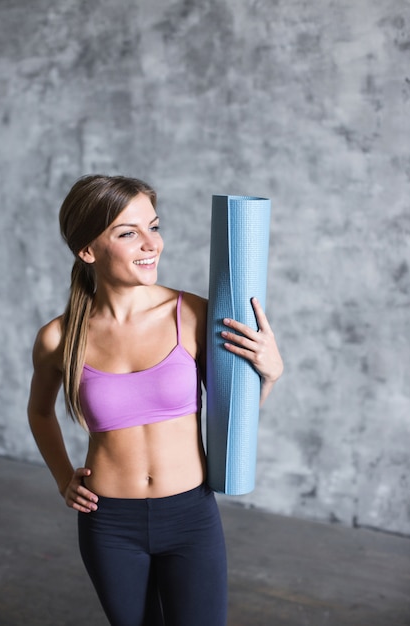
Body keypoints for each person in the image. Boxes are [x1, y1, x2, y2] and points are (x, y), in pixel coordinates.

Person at [27, 174, 283, 626]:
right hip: (109, 523)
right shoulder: (58, 338)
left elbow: (232, 411)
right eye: (129, 233)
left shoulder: (193, 314)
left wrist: (268, 374)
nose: (152, 244)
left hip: (190, 515)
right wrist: (63, 476)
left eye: (154, 226)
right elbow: (40, 411)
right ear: (88, 250)